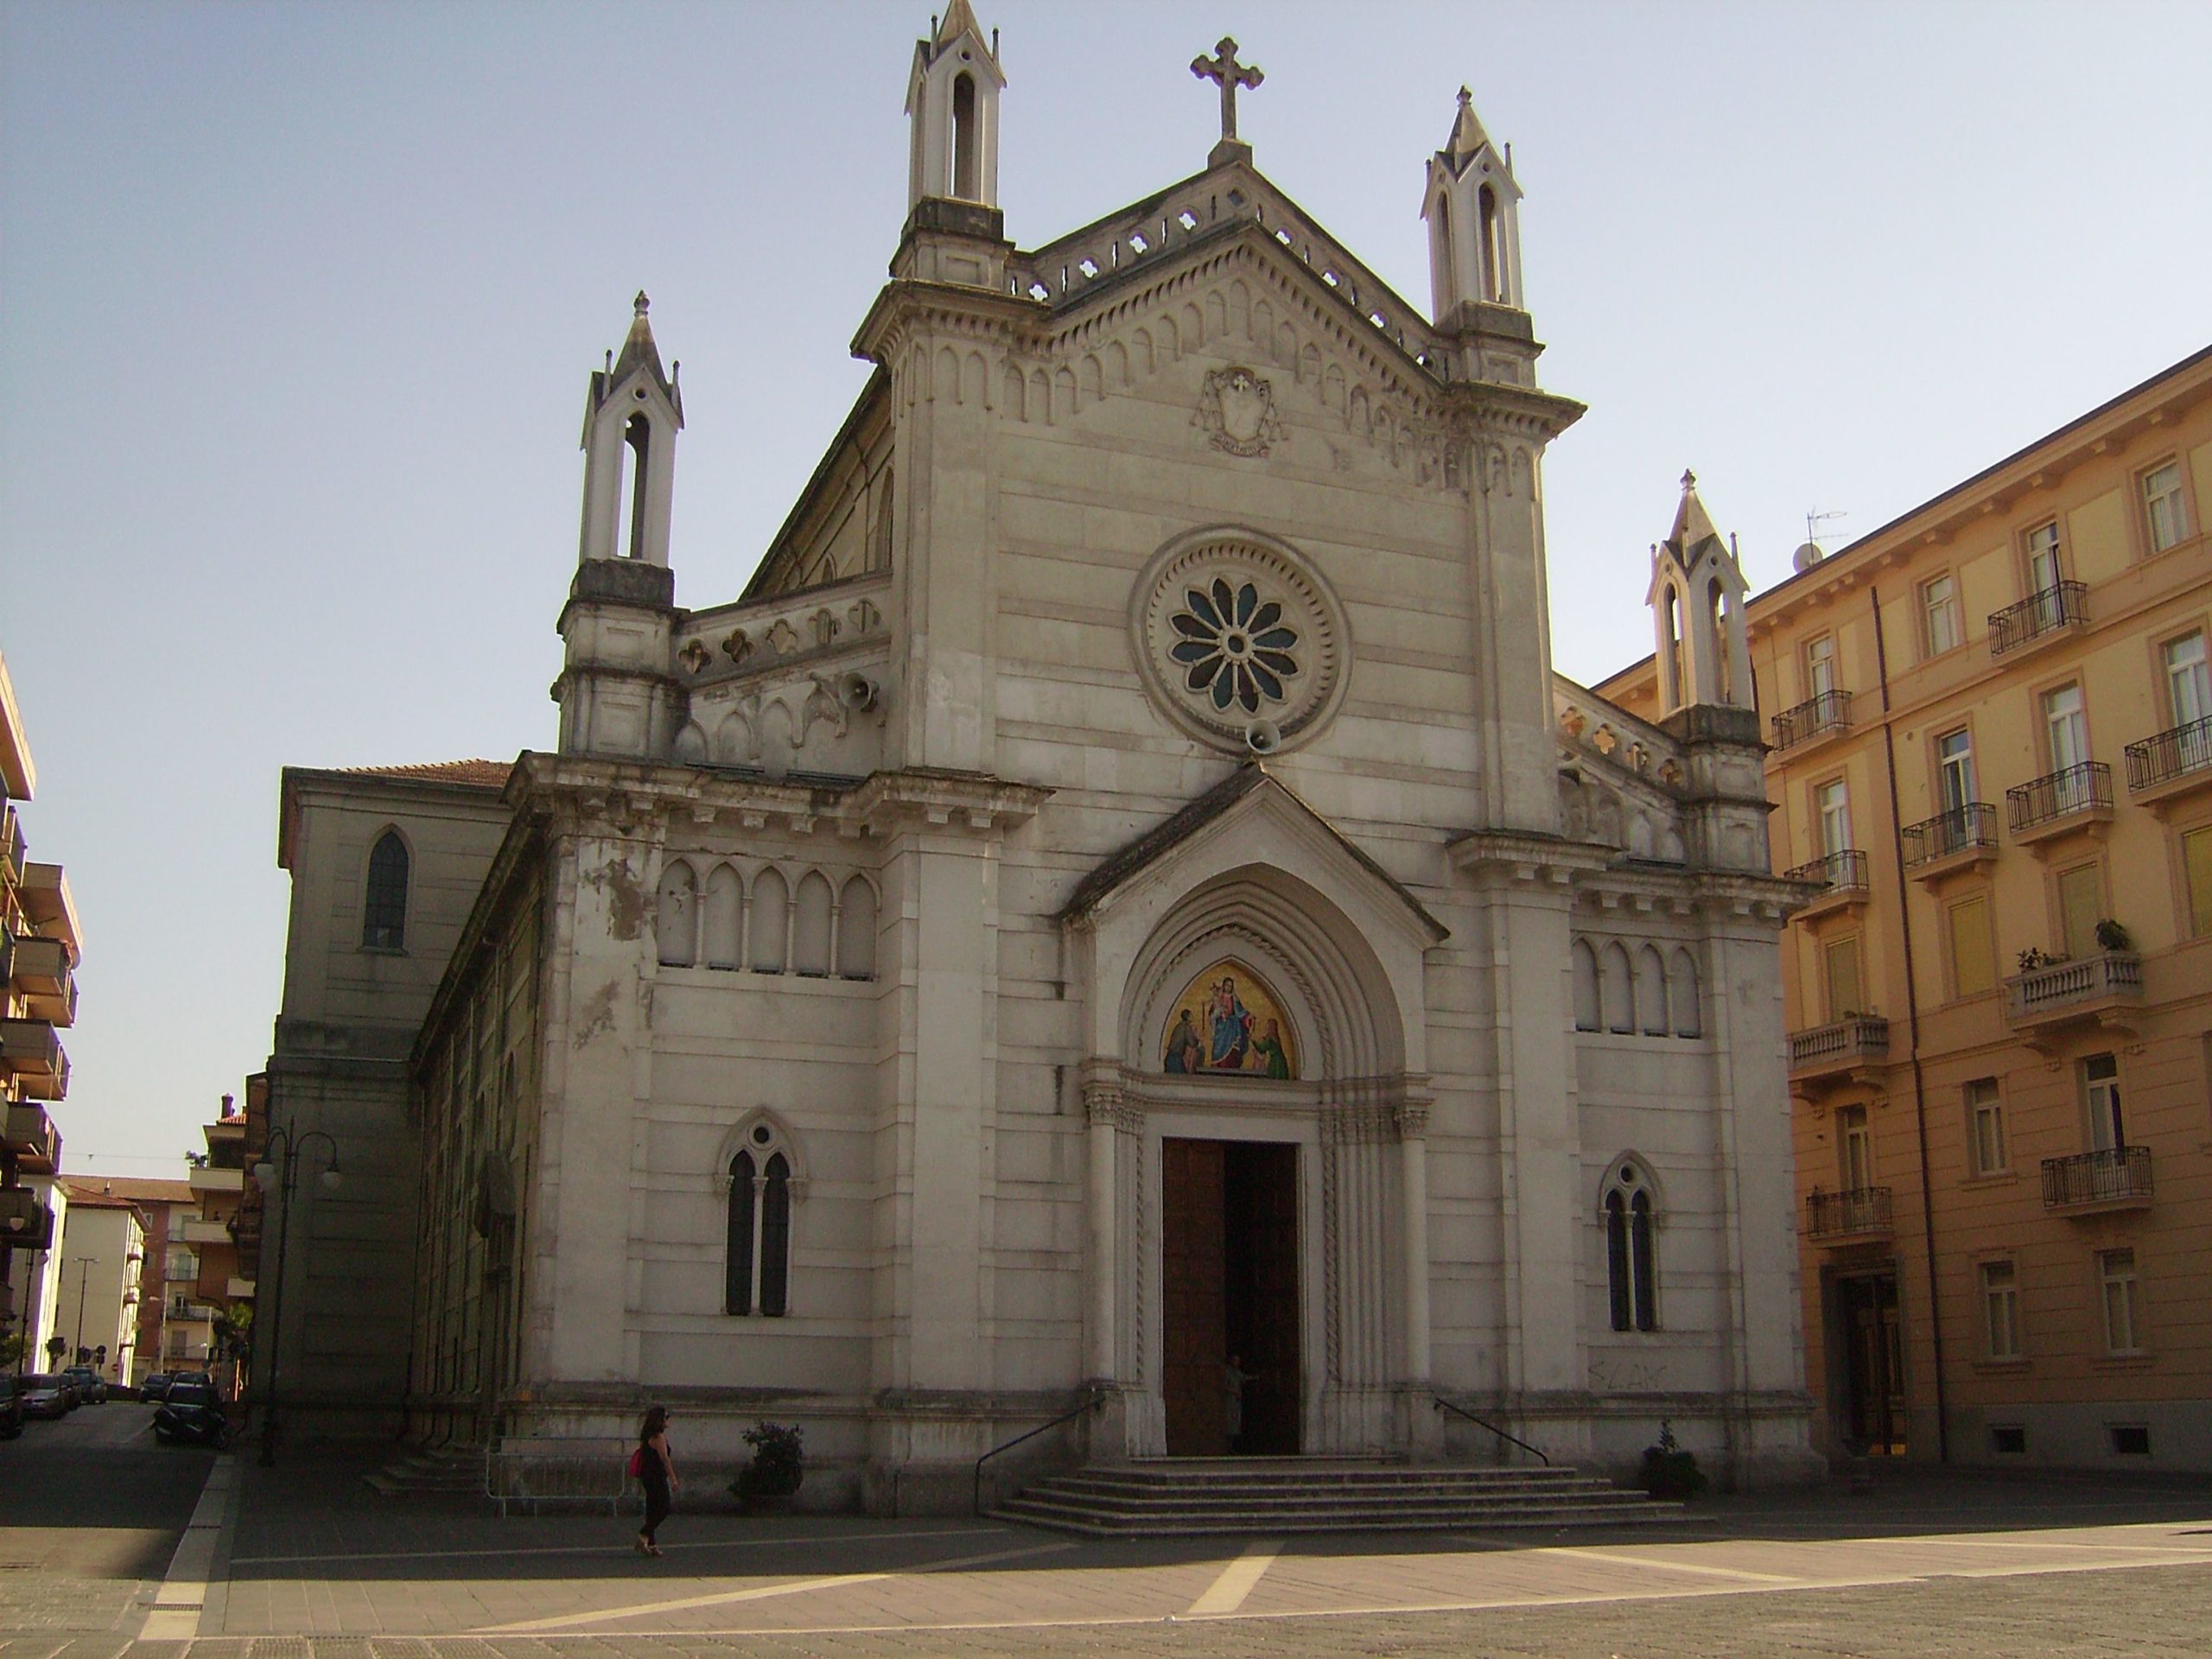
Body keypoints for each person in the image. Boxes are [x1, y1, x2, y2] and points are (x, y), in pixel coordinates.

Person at [634, 1405, 678, 1557]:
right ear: (660, 1420)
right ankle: (643, 1535)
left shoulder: (647, 1436)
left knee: (652, 1508)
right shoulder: (659, 1437)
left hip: (647, 1476)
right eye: (666, 1417)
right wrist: (673, 1479)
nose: (668, 1420)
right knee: (664, 1507)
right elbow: (665, 1459)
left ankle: (651, 1544)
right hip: (657, 1476)